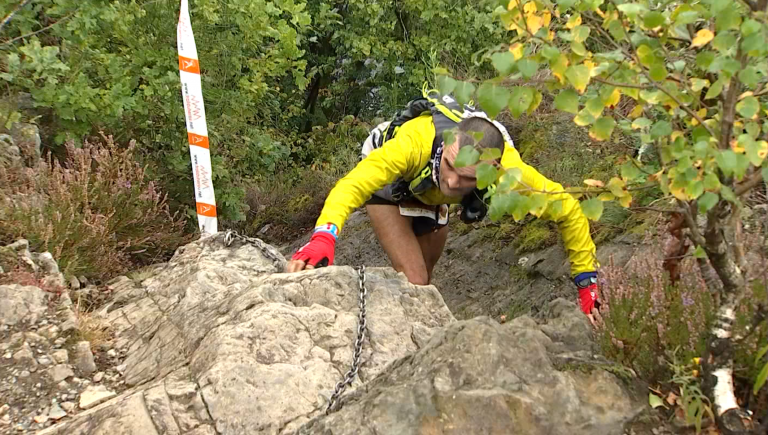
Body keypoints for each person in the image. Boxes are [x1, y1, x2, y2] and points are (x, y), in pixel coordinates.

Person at [287, 89, 601, 325]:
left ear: (491, 170)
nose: (452, 182)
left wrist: (587, 281)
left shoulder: (509, 172)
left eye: (467, 179)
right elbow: (353, 184)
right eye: (451, 165)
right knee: (416, 282)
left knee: (425, 288)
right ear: (449, 142)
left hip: (429, 197)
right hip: (392, 187)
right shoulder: (414, 143)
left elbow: (569, 210)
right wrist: (324, 236)